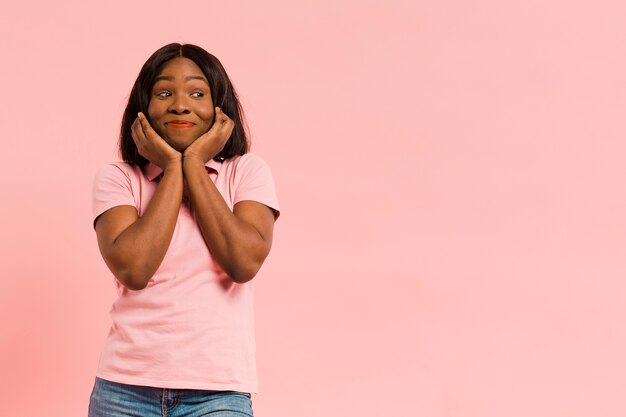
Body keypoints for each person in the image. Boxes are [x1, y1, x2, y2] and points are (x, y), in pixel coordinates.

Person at [87, 43, 280, 417]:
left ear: (219, 108)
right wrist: (173, 169)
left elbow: (243, 263)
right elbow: (134, 269)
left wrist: (192, 161)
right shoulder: (119, 178)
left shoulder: (247, 172)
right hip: (124, 392)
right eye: (163, 93)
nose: (180, 105)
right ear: (142, 107)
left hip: (218, 394)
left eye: (197, 92)